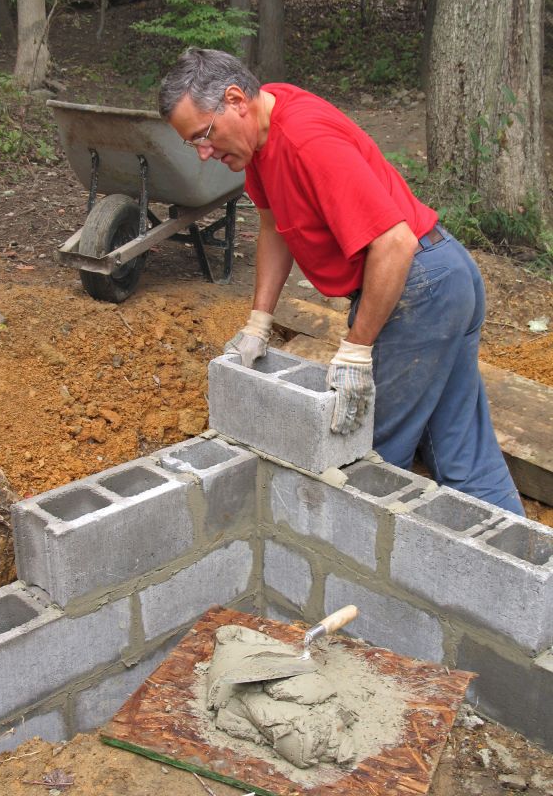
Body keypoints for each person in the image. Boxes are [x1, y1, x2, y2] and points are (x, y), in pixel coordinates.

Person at [158, 47, 524, 516]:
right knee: (460, 449)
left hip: (418, 287)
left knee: (363, 458)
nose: (204, 153)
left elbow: (394, 244)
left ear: (235, 99)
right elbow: (274, 225)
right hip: (442, 279)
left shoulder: (307, 140)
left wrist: (356, 348)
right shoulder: (260, 137)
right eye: (193, 143)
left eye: (203, 135)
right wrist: (259, 322)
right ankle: (530, 574)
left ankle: (364, 583)